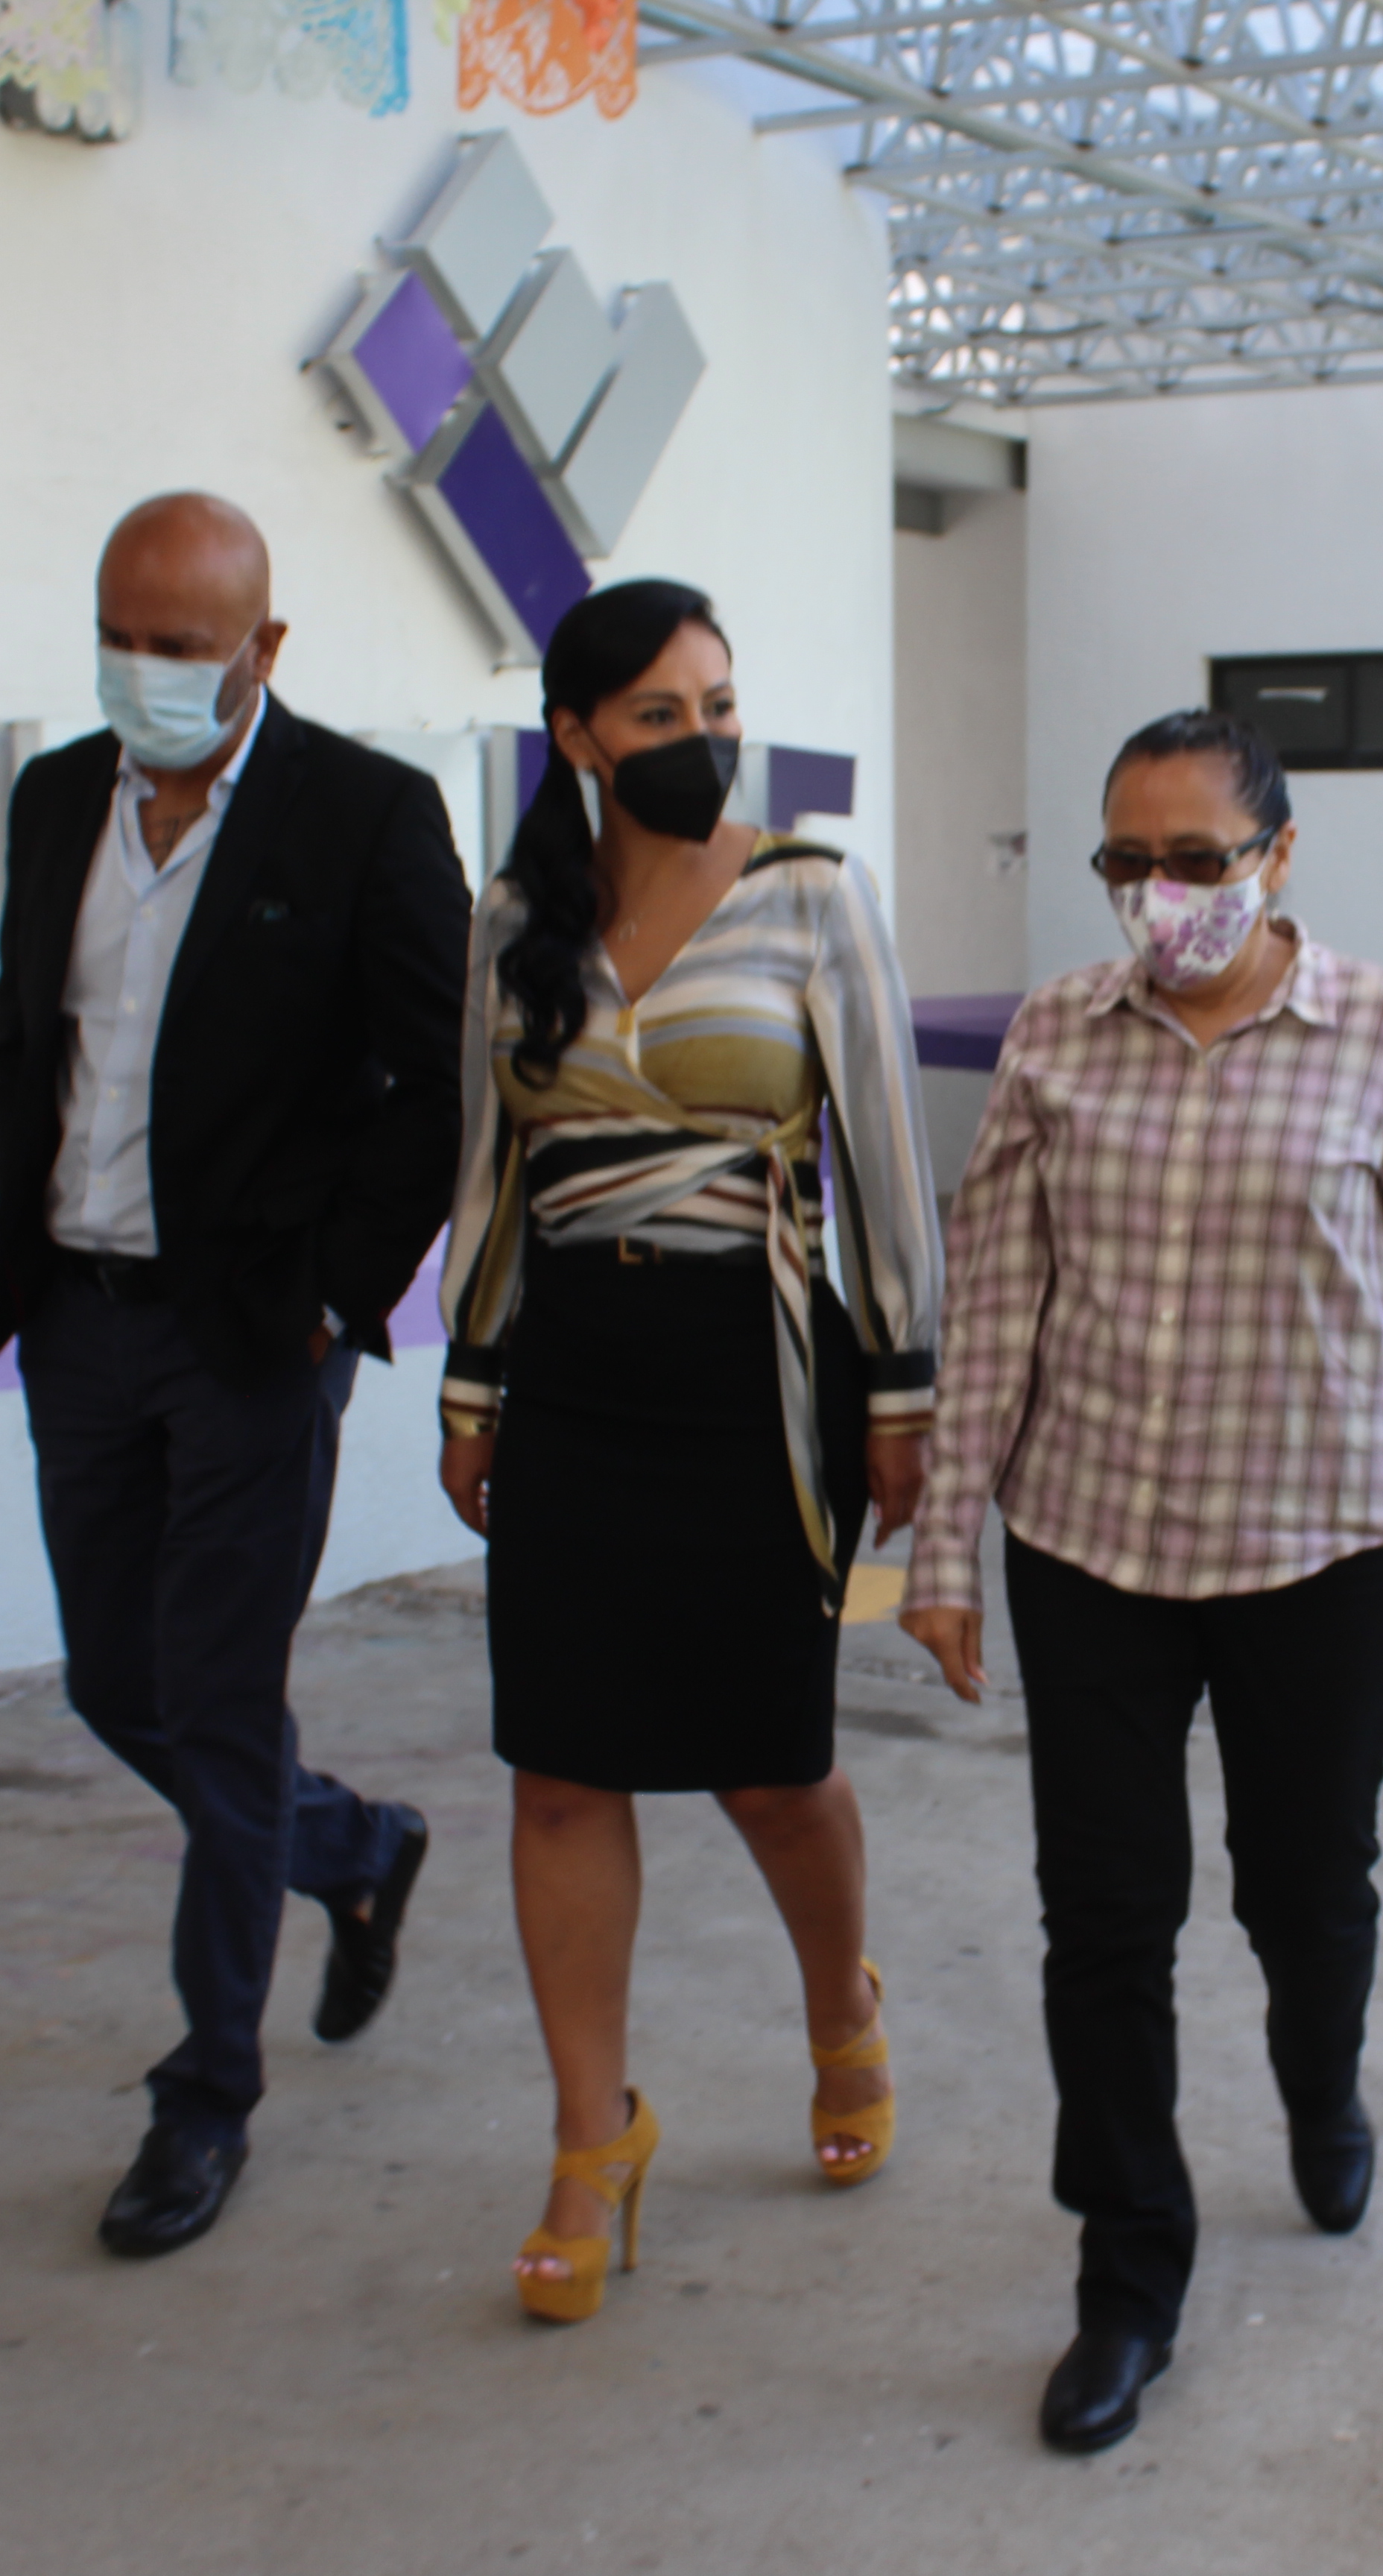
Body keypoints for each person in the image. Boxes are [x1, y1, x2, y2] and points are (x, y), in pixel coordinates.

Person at [897, 709, 1383, 2458]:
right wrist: (946, 1546)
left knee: (1303, 1895)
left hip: (1318, 1545)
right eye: (1129, 862)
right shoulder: (1055, 1032)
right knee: (1103, 1918)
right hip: (1089, 1539)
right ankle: (1127, 2271)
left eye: (1196, 859)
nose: (1160, 894)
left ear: (1279, 854)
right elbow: (996, 1302)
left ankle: (1322, 2087)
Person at [0, 493, 471, 2257]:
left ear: (265, 646)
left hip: (250, 1335)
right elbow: (27, 1040)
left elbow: (442, 1082)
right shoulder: (53, 801)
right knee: (117, 1680)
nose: (143, 670)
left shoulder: (363, 814)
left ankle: (205, 2095)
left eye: (181, 645)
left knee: (222, 1702)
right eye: (120, 634)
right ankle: (351, 1848)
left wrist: (335, 1292)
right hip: (80, 1316)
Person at [436, 578, 945, 2327]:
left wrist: (902, 1396)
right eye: (659, 713)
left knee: (767, 1766)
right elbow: (489, 1167)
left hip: (762, 1370)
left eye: (718, 705)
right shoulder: (518, 915)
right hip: (575, 1374)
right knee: (562, 1771)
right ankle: (594, 2138)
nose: (703, 737)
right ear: (577, 738)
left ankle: (841, 2007)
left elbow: (885, 1154)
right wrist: (472, 1386)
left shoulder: (810, 894)